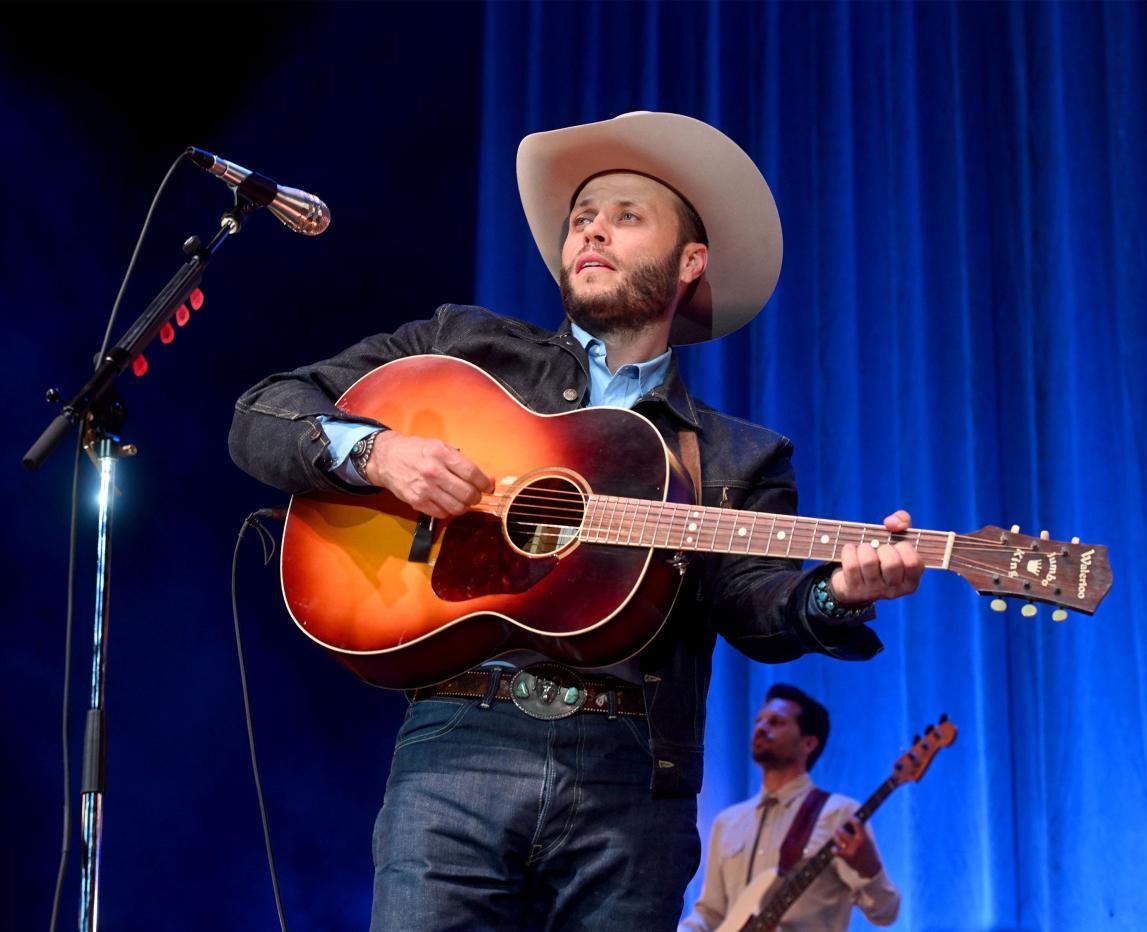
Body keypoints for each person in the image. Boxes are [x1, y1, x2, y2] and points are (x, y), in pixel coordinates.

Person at [227, 112, 924, 932]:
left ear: (690, 262)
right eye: (581, 218)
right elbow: (264, 412)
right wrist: (379, 455)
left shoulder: (738, 454)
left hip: (631, 782)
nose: (591, 229)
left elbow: (758, 606)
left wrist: (838, 593)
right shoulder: (466, 347)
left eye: (626, 215)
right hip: (458, 741)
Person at [680, 684, 900, 931]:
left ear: (808, 743)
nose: (761, 728)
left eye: (776, 722)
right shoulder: (727, 821)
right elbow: (710, 913)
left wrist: (871, 869)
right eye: (759, 720)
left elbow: (885, 912)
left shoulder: (839, 814)